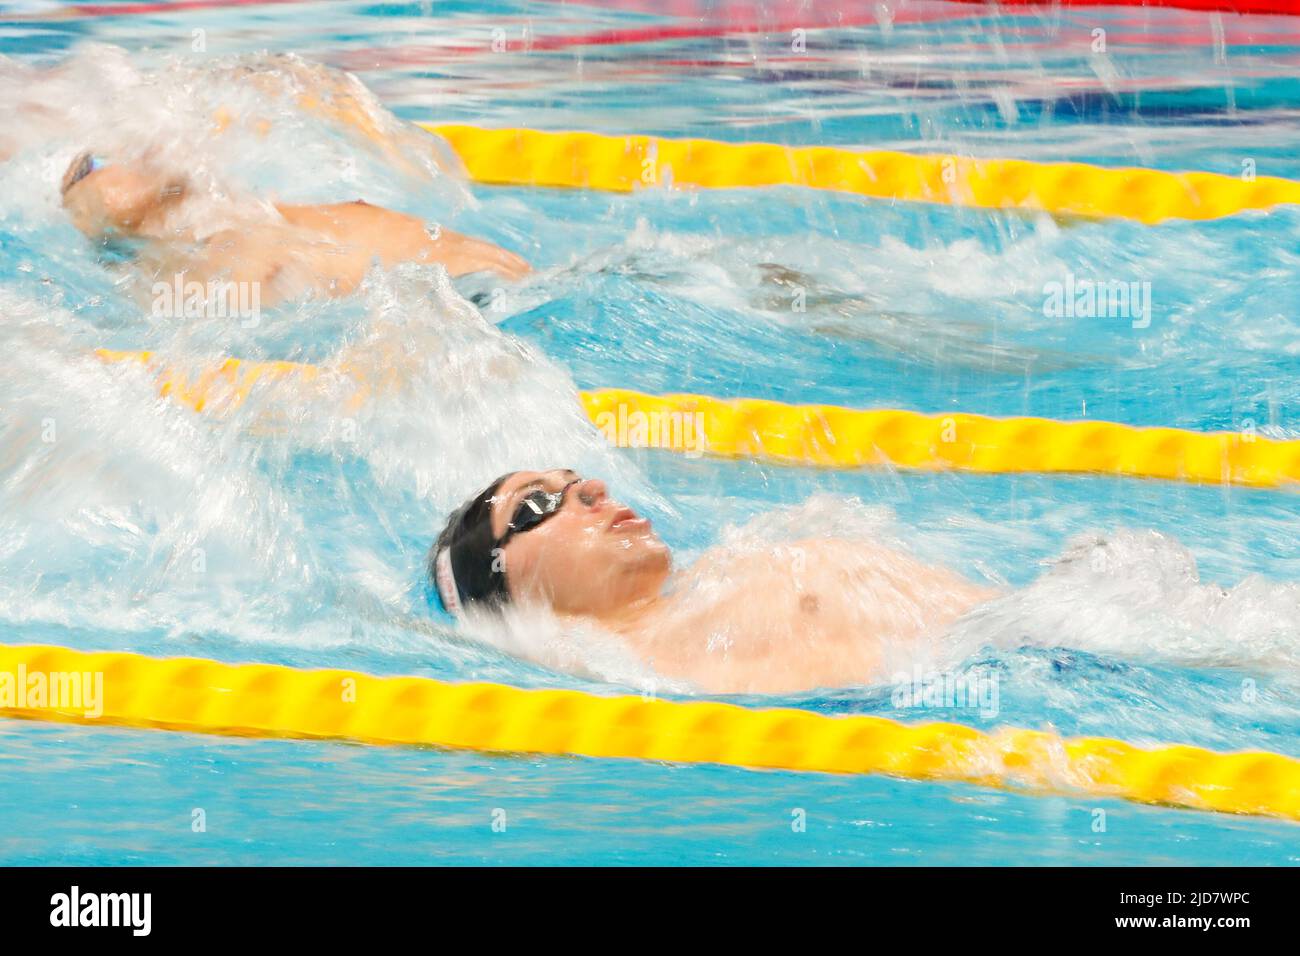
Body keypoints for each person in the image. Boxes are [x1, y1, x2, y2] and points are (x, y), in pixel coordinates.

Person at [430, 468, 999, 695]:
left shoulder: (711, 587)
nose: (593, 488)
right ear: (506, 596)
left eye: (577, 479)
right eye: (538, 504)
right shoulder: (638, 679)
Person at [59, 150, 530, 306]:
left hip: (491, 295)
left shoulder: (259, 224)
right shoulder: (185, 274)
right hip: (495, 300)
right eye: (99, 160)